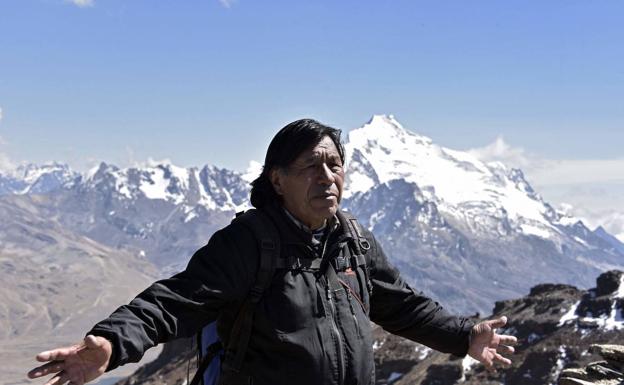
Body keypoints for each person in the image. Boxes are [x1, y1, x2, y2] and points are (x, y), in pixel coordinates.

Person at [28, 119, 517, 385]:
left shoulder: (354, 241)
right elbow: (174, 301)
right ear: (277, 180)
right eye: (311, 166)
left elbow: (402, 305)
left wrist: (463, 335)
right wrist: (111, 344)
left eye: (335, 165)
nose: (327, 176)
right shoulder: (250, 243)